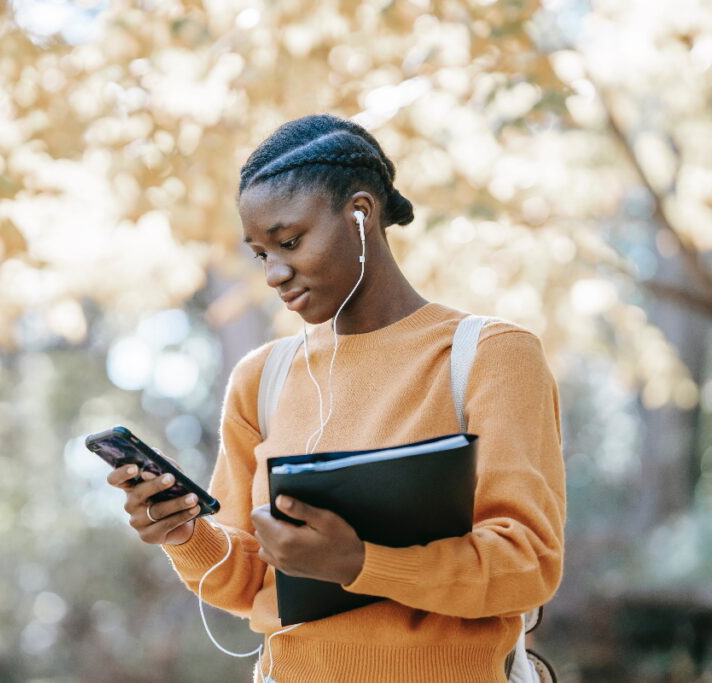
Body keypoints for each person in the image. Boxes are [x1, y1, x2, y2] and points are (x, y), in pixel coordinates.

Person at [106, 113, 566, 682]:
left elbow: (527, 565)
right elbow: (245, 583)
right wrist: (185, 532)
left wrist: (358, 563)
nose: (274, 273)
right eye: (260, 254)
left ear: (361, 213)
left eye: (290, 241)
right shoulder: (262, 378)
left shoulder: (489, 355)